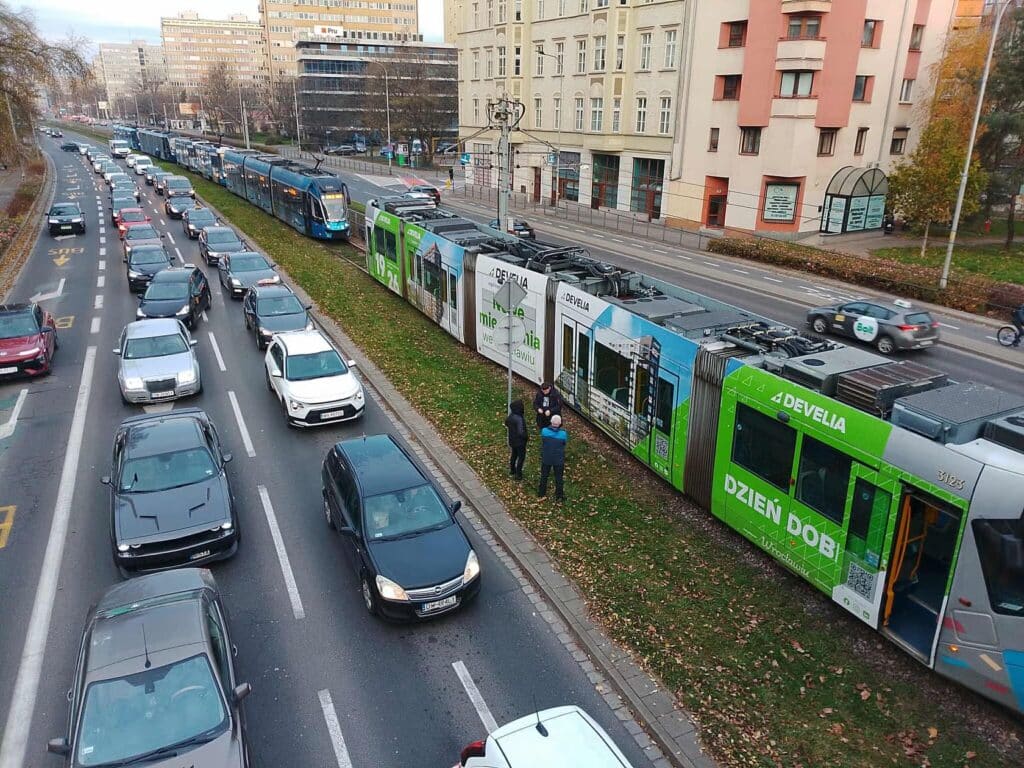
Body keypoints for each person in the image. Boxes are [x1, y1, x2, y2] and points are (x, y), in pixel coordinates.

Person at [538, 414, 567, 501]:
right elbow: (564, 443)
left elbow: (543, 441)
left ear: (551, 421)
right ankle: (559, 496)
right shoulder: (563, 434)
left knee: (544, 476)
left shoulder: (544, 431)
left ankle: (541, 492)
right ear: (560, 423)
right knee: (559, 478)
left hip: (546, 458)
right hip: (558, 460)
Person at [504, 399, 528, 480]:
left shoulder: (511, 416)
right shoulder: (519, 418)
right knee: (521, 457)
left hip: (512, 440)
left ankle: (512, 470)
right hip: (520, 442)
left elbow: (506, 422)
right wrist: (526, 437)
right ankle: (518, 474)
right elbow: (521, 432)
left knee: (514, 455)